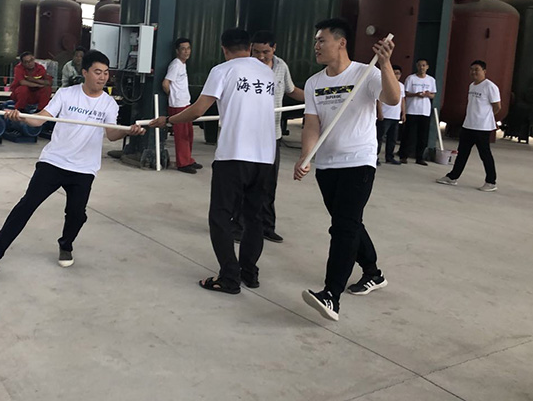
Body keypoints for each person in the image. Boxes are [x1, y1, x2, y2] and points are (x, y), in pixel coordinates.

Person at [0, 50, 144, 278]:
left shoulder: (109, 104)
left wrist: (128, 132)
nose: (103, 77)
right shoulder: (66, 94)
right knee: (26, 206)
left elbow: (112, 134)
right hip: (54, 162)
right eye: (97, 72)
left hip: (83, 168)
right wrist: (20, 116)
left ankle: (66, 244)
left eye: (106, 73)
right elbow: (40, 119)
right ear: (85, 72)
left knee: (76, 214)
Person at [151, 29, 276, 294]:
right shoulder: (267, 72)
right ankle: (249, 273)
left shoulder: (223, 70)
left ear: (224, 48)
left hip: (233, 155)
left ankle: (229, 277)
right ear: (249, 47)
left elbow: (198, 109)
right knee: (254, 218)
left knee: (220, 216)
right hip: (265, 157)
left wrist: (168, 120)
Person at [294, 18, 398, 322]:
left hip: (358, 161)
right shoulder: (314, 83)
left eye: (321, 40)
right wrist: (306, 156)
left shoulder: (367, 73)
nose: (316, 46)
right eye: (316, 41)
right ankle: (373, 272)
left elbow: (392, 99)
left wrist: (386, 64)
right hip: (327, 165)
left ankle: (331, 295)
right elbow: (311, 124)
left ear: (341, 42)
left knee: (343, 227)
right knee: (348, 222)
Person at [233, 30, 304, 243]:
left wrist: (315, 97)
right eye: (256, 52)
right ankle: (238, 226)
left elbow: (291, 90)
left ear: (274, 48)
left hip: (272, 136)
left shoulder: (281, 67)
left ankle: (266, 226)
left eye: (266, 52)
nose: (261, 56)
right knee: (243, 182)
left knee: (268, 183)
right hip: (247, 135)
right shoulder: (243, 67)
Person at [437, 60, 501, 192]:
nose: (473, 72)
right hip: (468, 125)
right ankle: (452, 177)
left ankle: (491, 182)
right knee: (462, 153)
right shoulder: (472, 85)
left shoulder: (490, 86)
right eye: (471, 69)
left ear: (484, 71)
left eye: (477, 69)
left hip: (482, 127)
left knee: (485, 155)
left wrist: (485, 117)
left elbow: (497, 106)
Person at [162, 37, 201, 174]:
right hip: (178, 105)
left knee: (188, 134)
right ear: (177, 51)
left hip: (186, 103)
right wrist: (173, 96)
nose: (186, 51)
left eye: (188, 48)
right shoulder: (176, 65)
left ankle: (188, 159)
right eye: (183, 49)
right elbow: (165, 83)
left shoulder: (182, 64)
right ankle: (182, 163)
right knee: (182, 135)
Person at [400, 59, 437, 166]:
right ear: (417, 66)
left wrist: (427, 94)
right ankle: (404, 155)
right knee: (408, 134)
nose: (422, 67)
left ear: (427, 67)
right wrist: (416, 94)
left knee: (422, 136)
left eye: (424, 65)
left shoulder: (431, 80)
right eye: (420, 65)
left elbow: (433, 95)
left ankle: (419, 157)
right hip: (412, 110)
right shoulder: (411, 78)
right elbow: (406, 93)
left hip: (424, 111)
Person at [376, 64, 406, 165]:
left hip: (395, 116)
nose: (396, 75)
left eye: (398, 73)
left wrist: (403, 113)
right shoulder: (384, 84)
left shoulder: (401, 86)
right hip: (385, 115)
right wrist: (380, 112)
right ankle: (375, 157)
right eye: (394, 73)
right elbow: (378, 99)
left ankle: (389, 157)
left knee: (392, 138)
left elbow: (402, 100)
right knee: (379, 137)